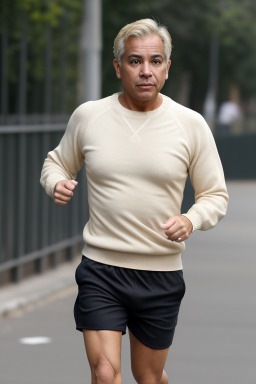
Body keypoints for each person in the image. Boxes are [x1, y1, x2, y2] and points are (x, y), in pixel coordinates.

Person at [40, 18, 229, 384]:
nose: (146, 71)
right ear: (118, 67)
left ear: (167, 68)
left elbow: (215, 195)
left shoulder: (189, 124)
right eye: (135, 61)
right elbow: (56, 162)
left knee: (149, 376)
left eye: (155, 61)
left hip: (160, 274)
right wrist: (56, 183)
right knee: (106, 373)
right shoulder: (90, 116)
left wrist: (191, 220)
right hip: (101, 269)